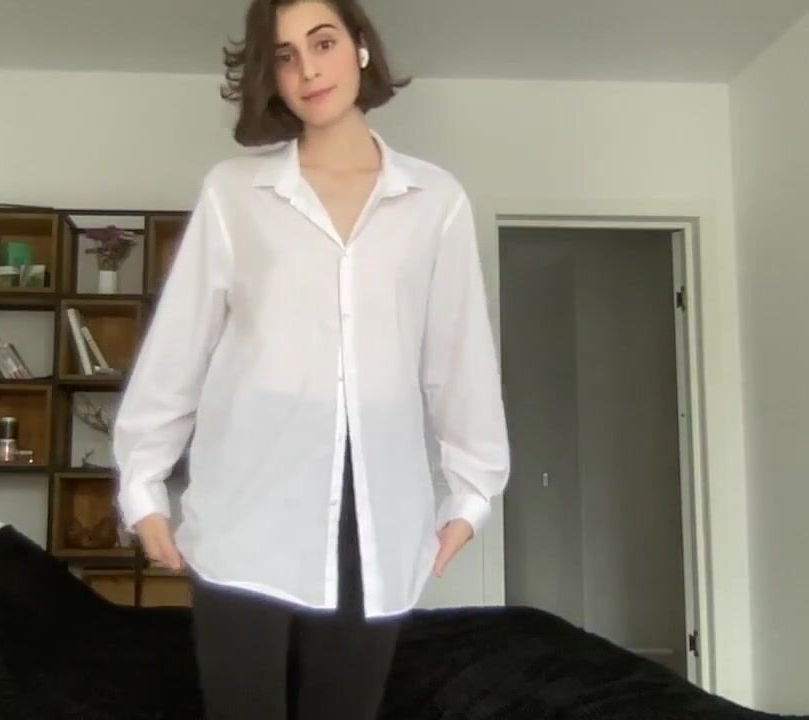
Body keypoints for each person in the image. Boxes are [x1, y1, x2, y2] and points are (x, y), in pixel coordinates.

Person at [110, 1, 510, 718]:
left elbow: (458, 358)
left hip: (379, 521)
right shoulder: (234, 193)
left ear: (360, 47)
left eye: (322, 43)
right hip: (243, 510)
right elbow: (180, 346)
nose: (308, 70)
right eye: (285, 56)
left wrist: (472, 492)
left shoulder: (436, 202)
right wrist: (143, 486)